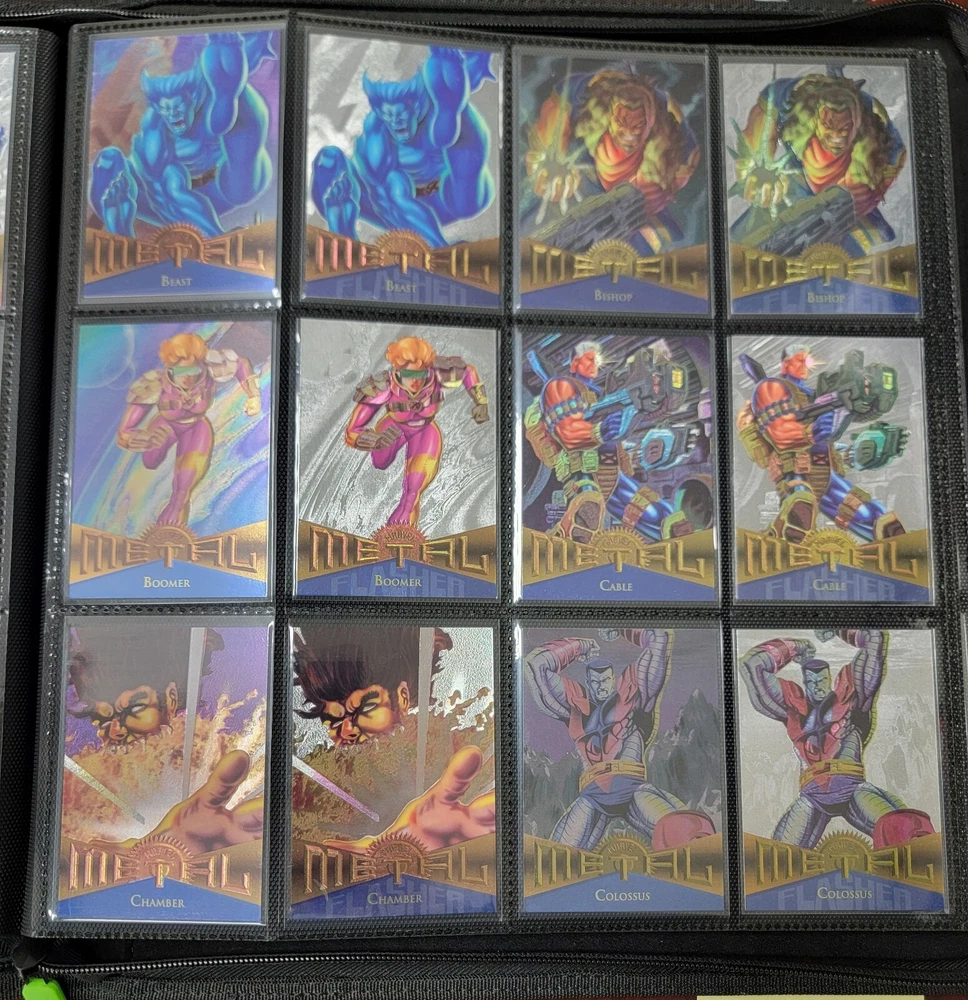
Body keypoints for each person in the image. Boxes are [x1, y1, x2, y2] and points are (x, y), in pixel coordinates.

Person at [739, 628, 935, 849]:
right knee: (776, 857)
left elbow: (874, 637)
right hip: (812, 796)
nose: (817, 686)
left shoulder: (851, 700)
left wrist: (838, 628)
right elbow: (752, 665)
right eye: (811, 682)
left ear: (829, 679)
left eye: (821, 680)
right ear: (804, 682)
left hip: (852, 788)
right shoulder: (794, 712)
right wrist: (796, 647)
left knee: (904, 831)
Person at [524, 627, 714, 851]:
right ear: (587, 682)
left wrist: (623, 628)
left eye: (605, 680)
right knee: (554, 858)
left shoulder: (633, 697)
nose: (600, 686)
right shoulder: (576, 708)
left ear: (613, 679)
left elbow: (659, 638)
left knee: (684, 835)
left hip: (633, 789)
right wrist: (580, 646)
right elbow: (536, 665)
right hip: (592, 796)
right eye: (595, 682)